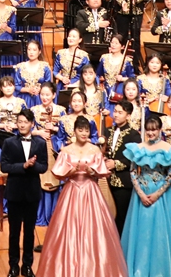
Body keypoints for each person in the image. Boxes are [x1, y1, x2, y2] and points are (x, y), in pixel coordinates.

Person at [38, 116, 129, 277]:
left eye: (86, 130)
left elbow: (102, 172)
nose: (84, 133)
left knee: (95, 230)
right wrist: (71, 172)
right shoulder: (66, 150)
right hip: (72, 190)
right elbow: (59, 173)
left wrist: (93, 172)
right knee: (67, 230)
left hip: (90, 190)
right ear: (74, 131)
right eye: (81, 130)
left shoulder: (94, 149)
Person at [120, 115, 171, 277]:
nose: (151, 133)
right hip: (140, 195)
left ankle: (160, 269)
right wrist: (141, 193)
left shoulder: (167, 148)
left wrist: (157, 194)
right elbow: (132, 172)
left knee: (159, 233)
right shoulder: (138, 147)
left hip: (161, 196)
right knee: (141, 233)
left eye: (154, 130)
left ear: (160, 130)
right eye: (148, 130)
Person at [1, 109, 48, 277]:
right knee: (14, 232)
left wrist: (32, 166)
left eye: (25, 122)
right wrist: (23, 166)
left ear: (32, 124)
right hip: (14, 192)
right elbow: (4, 166)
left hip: (32, 193)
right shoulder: (9, 142)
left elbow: (44, 167)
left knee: (29, 231)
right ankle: (13, 265)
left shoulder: (40, 143)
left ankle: (27, 265)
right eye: (19, 121)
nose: (21, 124)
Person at [103, 99, 141, 235]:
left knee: (121, 216)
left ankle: (121, 250)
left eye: (120, 112)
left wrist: (116, 164)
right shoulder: (108, 131)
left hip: (123, 182)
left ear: (128, 116)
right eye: (115, 111)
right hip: (106, 180)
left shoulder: (134, 134)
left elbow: (135, 158)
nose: (116, 115)